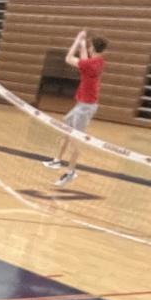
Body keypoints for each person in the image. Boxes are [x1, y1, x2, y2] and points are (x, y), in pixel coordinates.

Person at [45, 30, 107, 188]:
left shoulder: (90, 64)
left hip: (86, 107)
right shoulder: (98, 61)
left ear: (93, 48)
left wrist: (77, 41)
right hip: (82, 104)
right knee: (66, 126)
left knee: (76, 140)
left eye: (89, 46)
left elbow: (68, 58)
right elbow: (85, 60)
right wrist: (83, 45)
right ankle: (57, 161)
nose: (88, 48)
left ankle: (71, 172)